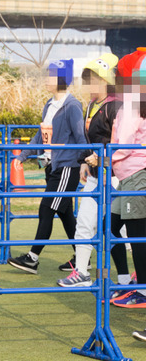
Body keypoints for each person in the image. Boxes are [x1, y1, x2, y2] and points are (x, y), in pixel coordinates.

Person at [56, 54, 130, 287]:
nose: (89, 85)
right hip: (96, 177)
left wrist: (101, 158)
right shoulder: (91, 105)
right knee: (85, 223)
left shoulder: (116, 106)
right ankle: (82, 273)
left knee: (113, 230)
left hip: (116, 178)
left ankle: (126, 281)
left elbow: (122, 143)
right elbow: (88, 140)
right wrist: (84, 161)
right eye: (87, 80)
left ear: (106, 81)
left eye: (94, 80)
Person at [8, 59, 87, 274]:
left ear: (61, 79)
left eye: (51, 75)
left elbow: (81, 138)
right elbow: (39, 136)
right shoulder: (49, 105)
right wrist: (22, 155)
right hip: (51, 167)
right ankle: (82, 258)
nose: (46, 79)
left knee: (47, 208)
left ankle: (32, 258)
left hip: (66, 168)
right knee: (65, 213)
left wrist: (83, 162)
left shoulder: (72, 106)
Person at [96, 49, 146, 337]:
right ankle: (128, 282)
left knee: (139, 240)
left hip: (135, 176)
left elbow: (123, 143)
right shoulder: (134, 102)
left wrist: (103, 158)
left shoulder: (133, 104)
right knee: (110, 226)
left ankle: (140, 289)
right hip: (129, 177)